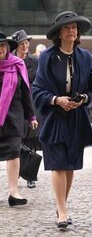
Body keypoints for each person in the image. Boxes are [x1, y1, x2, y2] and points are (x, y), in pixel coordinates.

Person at [32, 11, 92, 230]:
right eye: (68, 27)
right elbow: (37, 89)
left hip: (76, 119)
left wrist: (84, 99)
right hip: (54, 117)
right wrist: (55, 100)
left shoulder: (85, 57)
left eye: (75, 27)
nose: (72, 31)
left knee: (70, 165)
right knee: (58, 164)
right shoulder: (47, 57)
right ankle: (62, 211)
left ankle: (62, 205)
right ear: (59, 33)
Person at [0, 31, 38, 207]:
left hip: (14, 116)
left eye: (2, 45)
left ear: (7, 48)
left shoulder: (17, 65)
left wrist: (31, 115)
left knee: (14, 153)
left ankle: (13, 192)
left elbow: (26, 93)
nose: (0, 49)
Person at [11, 29, 41, 189]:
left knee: (31, 140)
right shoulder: (10, 61)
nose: (25, 46)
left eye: (26, 43)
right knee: (16, 140)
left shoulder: (34, 61)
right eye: (22, 43)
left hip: (31, 104)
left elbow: (38, 82)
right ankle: (15, 173)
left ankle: (31, 175)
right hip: (15, 106)